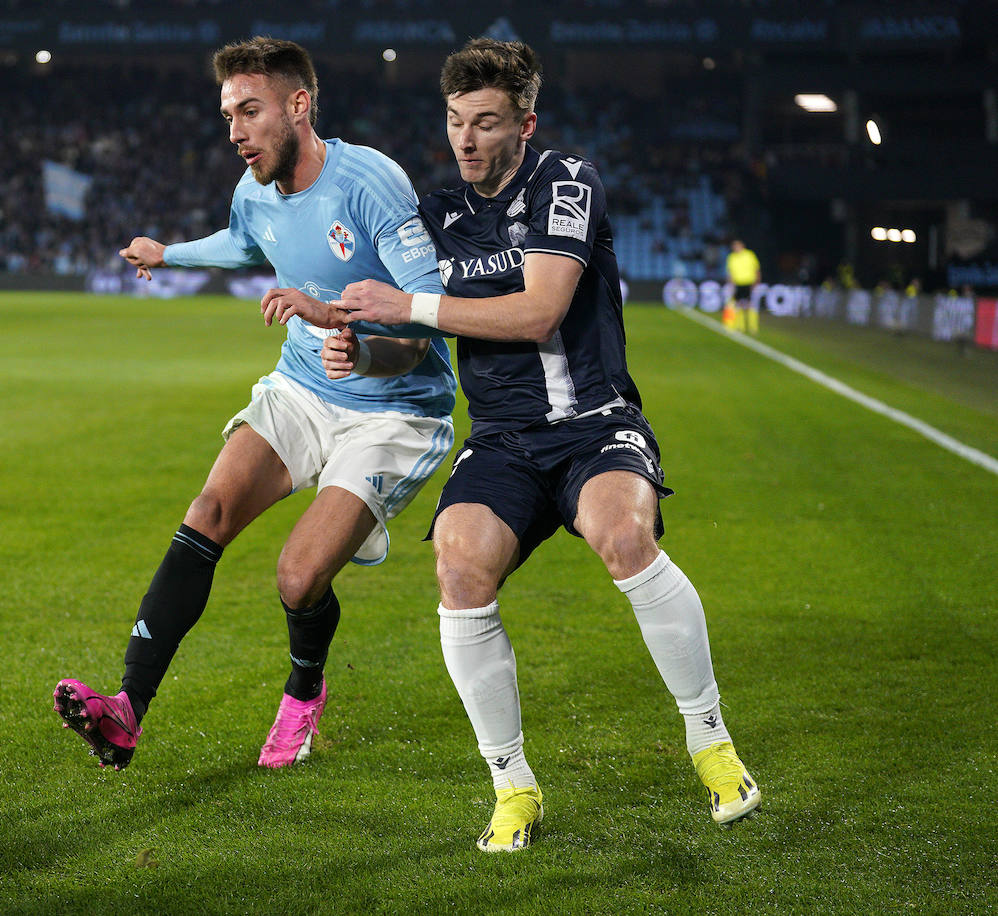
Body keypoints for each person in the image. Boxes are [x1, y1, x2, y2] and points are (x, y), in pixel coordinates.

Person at [320, 39, 760, 851]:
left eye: (486, 123)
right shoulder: (437, 217)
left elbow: (538, 313)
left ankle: (711, 742)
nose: (466, 140)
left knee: (625, 533)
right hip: (503, 439)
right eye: (456, 122)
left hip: (595, 422)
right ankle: (511, 782)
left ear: (526, 122)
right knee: (457, 564)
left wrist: (408, 309)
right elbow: (411, 350)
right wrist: (363, 347)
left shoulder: (566, 182)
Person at [53, 37, 456, 772]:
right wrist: (166, 253)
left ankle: (305, 689)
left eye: (250, 110)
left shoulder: (371, 184)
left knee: (298, 579)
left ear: (299, 106)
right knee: (207, 511)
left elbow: (429, 320)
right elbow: (246, 244)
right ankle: (126, 710)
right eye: (227, 114)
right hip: (303, 387)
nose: (235, 130)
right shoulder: (254, 189)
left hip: (395, 408)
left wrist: (351, 336)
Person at [724, 238, 761, 333]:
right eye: (734, 246)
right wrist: (731, 284)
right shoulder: (731, 257)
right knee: (738, 305)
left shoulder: (749, 255)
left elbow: (756, 269)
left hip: (749, 283)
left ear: (742, 246)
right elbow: (730, 272)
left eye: (737, 245)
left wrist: (756, 282)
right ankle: (740, 326)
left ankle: (753, 327)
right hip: (738, 283)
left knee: (750, 305)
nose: (735, 247)